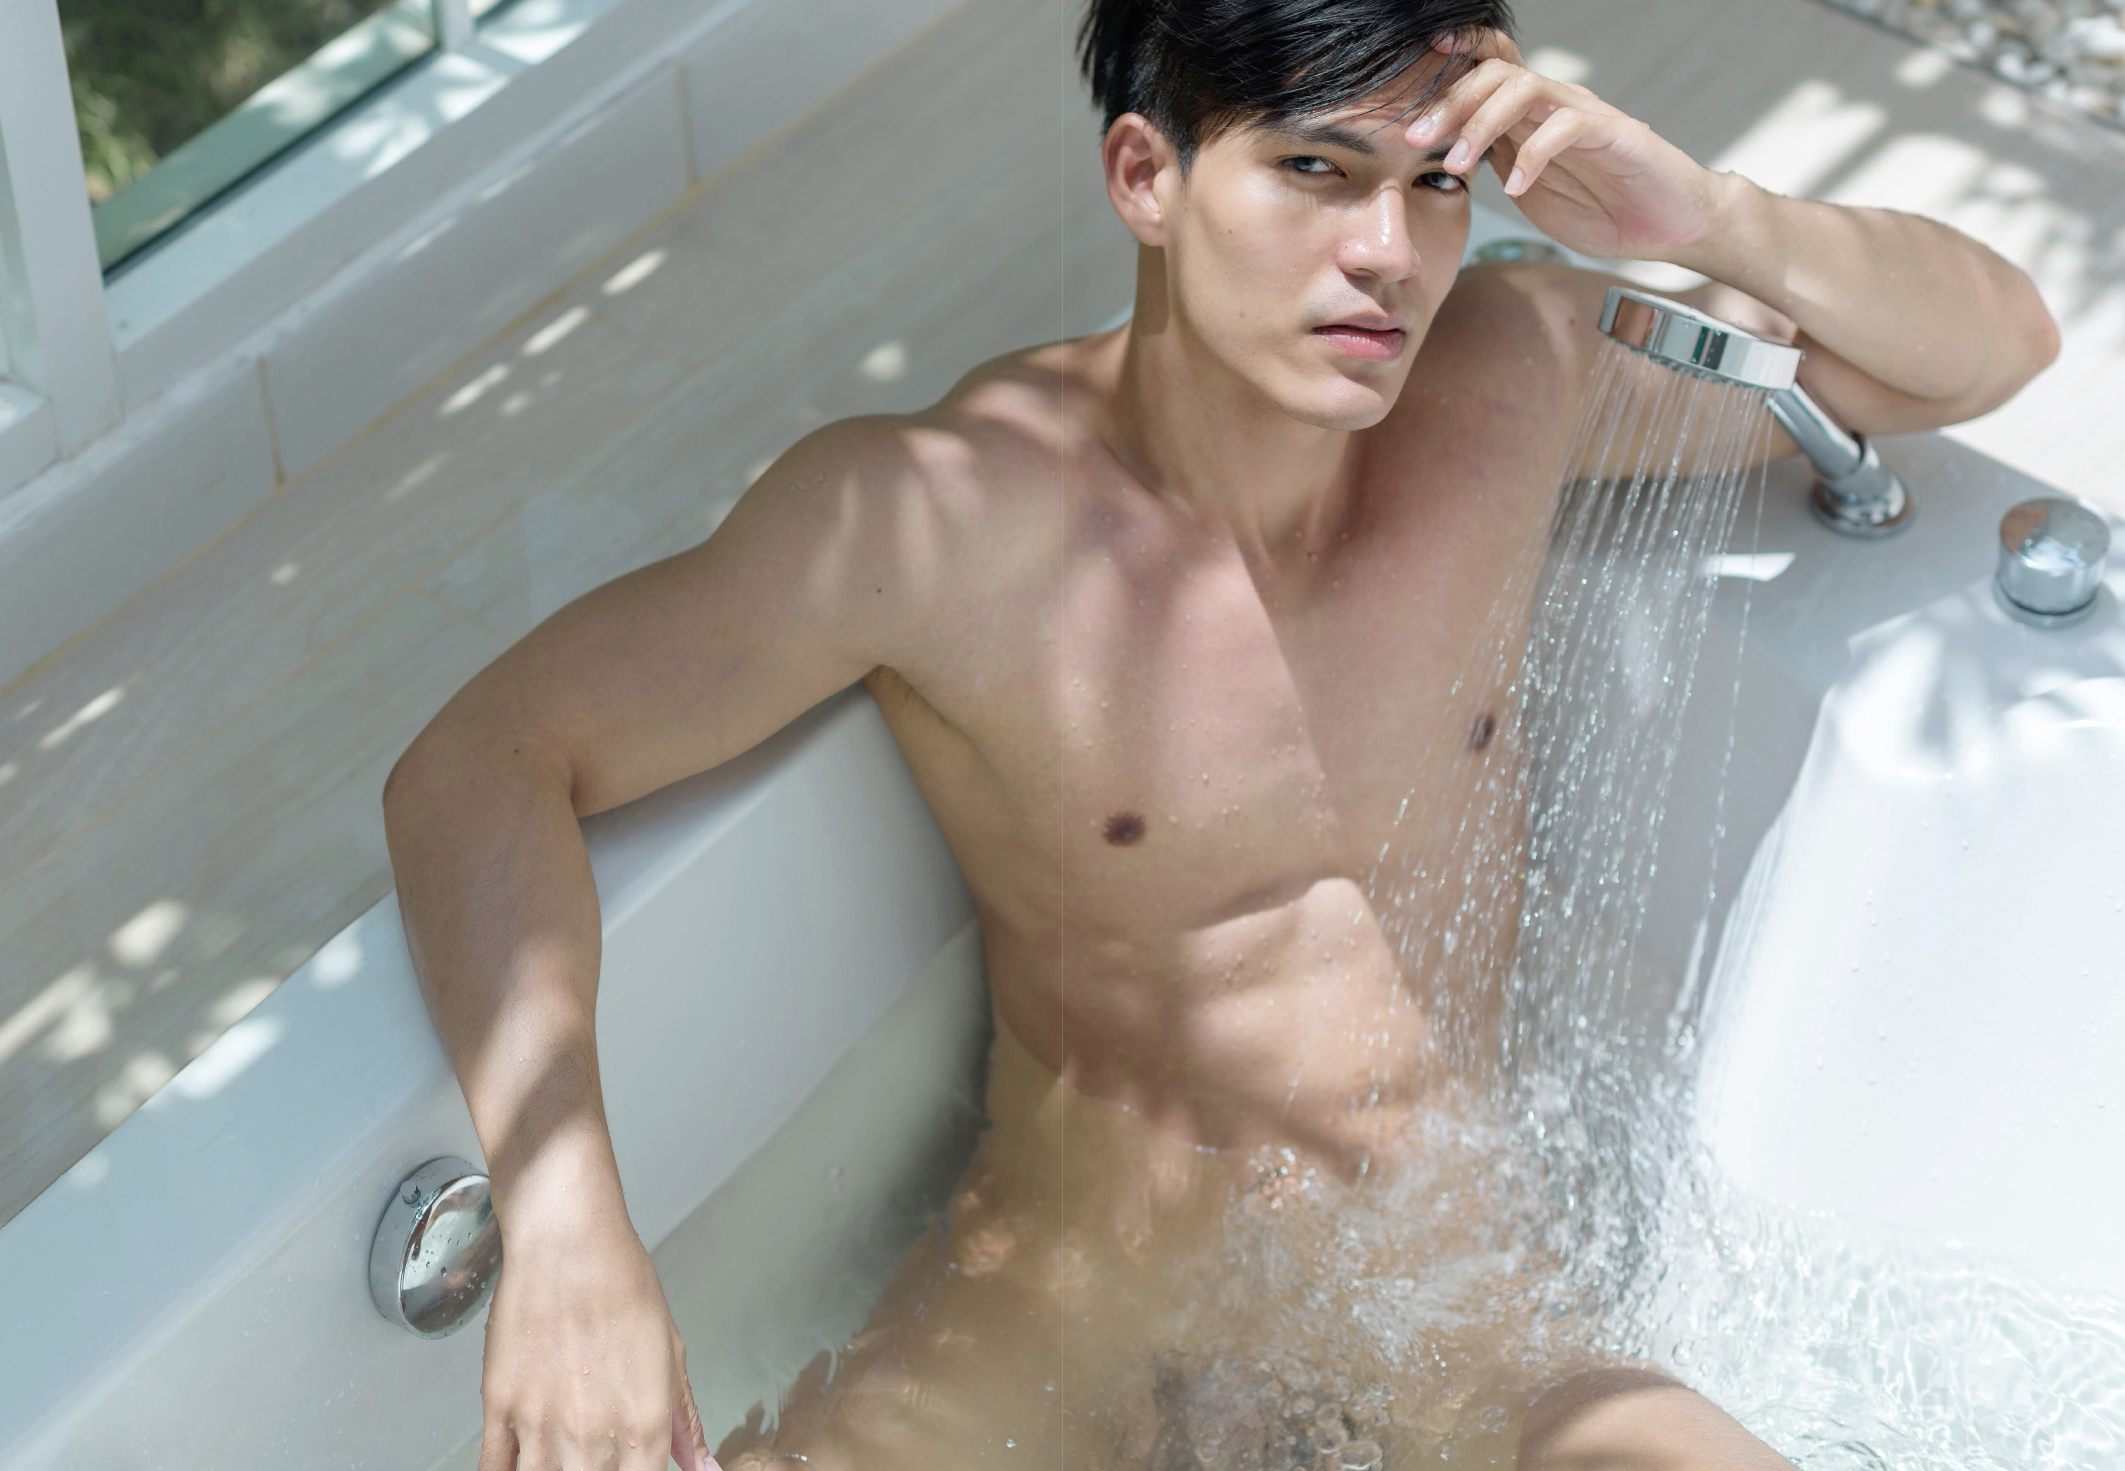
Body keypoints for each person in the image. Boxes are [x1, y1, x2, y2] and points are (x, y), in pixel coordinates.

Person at [380, 2, 2060, 1467]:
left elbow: (1982, 353)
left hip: (1464, 1325)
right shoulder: (939, 523)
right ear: (1147, 175)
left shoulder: (1514, 380)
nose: (1388, 253)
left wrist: (1711, 214)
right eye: (1317, 170)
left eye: (1436, 185)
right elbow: (483, 762)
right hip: (1063, 1333)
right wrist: (571, 1228)